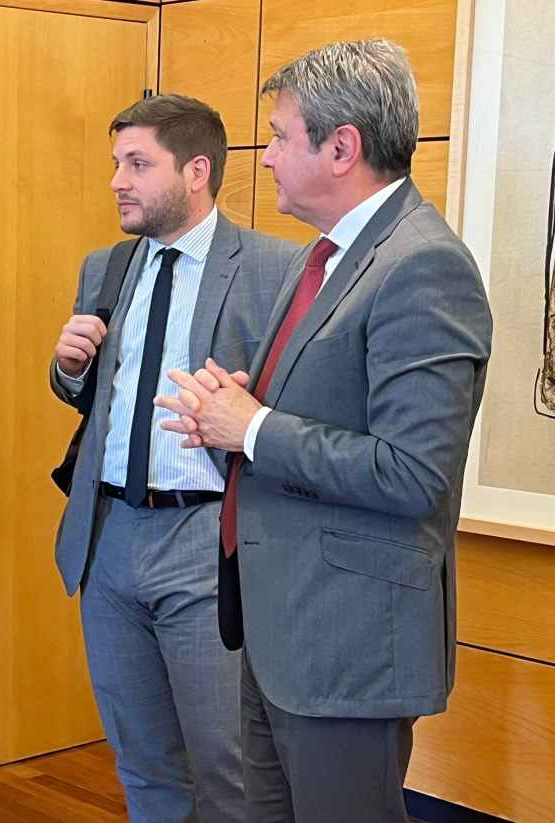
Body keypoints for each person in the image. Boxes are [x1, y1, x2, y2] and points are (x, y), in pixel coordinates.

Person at [155, 40, 493, 822]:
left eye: (278, 135)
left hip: (349, 643)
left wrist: (256, 425)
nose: (264, 157)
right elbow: (326, 407)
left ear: (342, 147)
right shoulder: (331, 255)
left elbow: (414, 471)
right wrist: (239, 408)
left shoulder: (421, 265)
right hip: (280, 627)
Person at [50, 94, 298, 822]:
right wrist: (67, 369)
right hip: (109, 539)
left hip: (208, 540)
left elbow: (292, 410)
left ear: (196, 171)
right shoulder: (107, 265)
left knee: (228, 768)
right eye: (115, 164)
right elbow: (95, 396)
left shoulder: (273, 269)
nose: (117, 182)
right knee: (144, 761)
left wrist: (248, 411)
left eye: (136, 164)